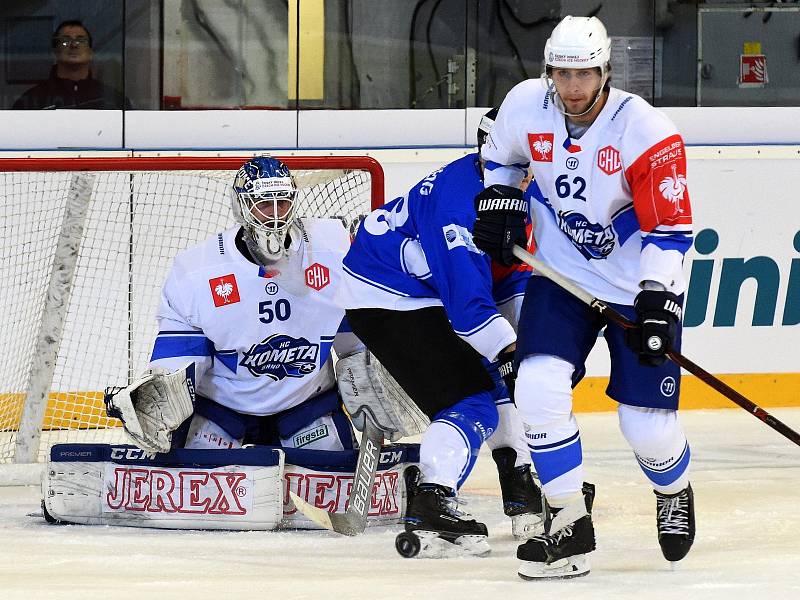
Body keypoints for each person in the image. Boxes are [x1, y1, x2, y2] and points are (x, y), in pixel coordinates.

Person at [472, 16, 695, 579]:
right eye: (563, 73)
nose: (573, 86)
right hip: (562, 276)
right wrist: (500, 201)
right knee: (538, 386)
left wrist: (656, 297)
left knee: (644, 426)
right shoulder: (526, 106)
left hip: (633, 288)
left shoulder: (645, 131)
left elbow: (669, 227)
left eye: (585, 73)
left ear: (605, 72)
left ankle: (674, 487)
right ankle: (569, 523)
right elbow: (502, 158)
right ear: (549, 72)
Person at [339, 110, 544, 558]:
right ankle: (431, 500)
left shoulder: (516, 190)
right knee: (472, 403)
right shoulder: (460, 206)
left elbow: (509, 279)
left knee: (502, 377)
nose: (528, 171)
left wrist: (528, 347)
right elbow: (470, 311)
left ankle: (519, 481)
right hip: (388, 296)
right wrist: (510, 352)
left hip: (427, 291)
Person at [106, 156, 360, 454]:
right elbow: (180, 360)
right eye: (264, 203)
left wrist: (368, 370)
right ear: (241, 206)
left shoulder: (333, 249)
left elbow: (354, 330)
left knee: (331, 490)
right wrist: (161, 399)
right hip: (222, 412)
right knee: (198, 495)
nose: (275, 214)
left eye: (283, 202)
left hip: (307, 405)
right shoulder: (198, 271)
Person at [12, 20, 131, 110]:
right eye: (65, 41)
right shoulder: (32, 100)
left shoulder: (113, 100)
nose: (74, 45)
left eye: (81, 41)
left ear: (90, 53)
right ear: (55, 53)